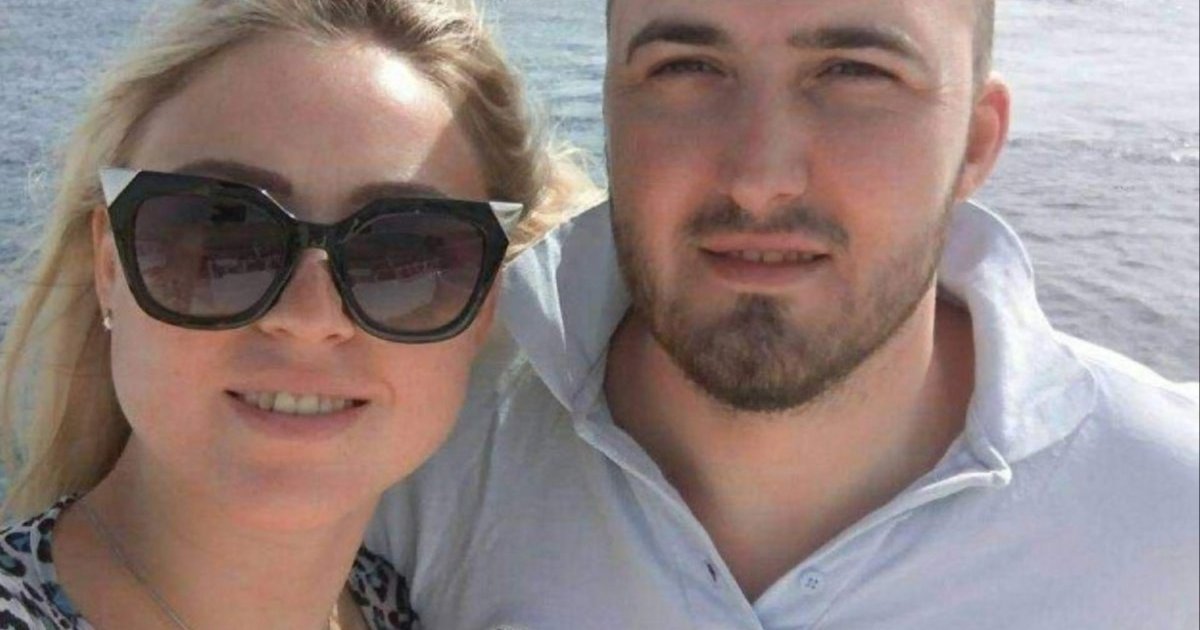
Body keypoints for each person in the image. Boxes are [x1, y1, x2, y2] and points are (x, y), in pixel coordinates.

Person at [368, 0, 1200, 628]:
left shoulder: (1173, 521)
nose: (760, 178)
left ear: (976, 144)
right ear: (613, 109)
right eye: (686, 67)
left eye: (856, 72)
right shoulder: (409, 460)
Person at [0, 0, 596, 627]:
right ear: (110, 267)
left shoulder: (395, 606)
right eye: (221, 234)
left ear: (483, 304)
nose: (309, 318)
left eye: (402, 253)